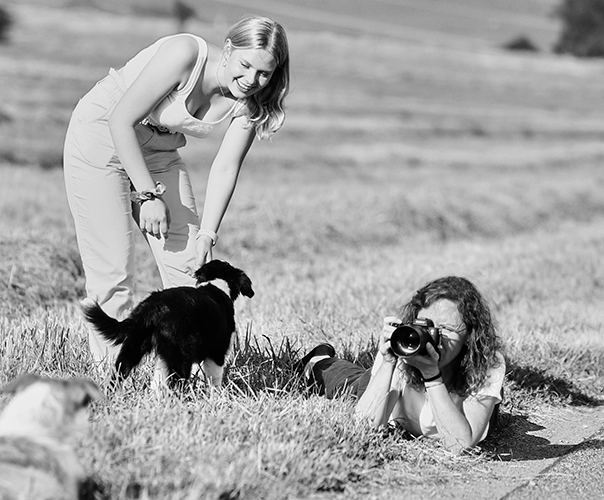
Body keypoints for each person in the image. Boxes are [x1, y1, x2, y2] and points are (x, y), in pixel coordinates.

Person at [63, 16, 290, 365]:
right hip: (102, 135)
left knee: (192, 268)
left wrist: (208, 235)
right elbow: (120, 120)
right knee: (113, 269)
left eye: (264, 73)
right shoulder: (185, 53)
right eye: (245, 66)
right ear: (228, 49)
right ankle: (115, 373)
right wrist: (148, 196)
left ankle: (192, 371)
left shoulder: (251, 101)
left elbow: (226, 167)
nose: (251, 80)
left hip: (159, 152)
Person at [299, 276, 505, 450]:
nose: (435, 337)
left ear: (470, 336)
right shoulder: (404, 349)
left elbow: (459, 444)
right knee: (350, 385)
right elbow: (362, 428)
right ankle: (320, 359)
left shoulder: (487, 364)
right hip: (385, 390)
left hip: (462, 390)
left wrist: (432, 375)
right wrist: (388, 362)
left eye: (447, 330)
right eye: (427, 326)